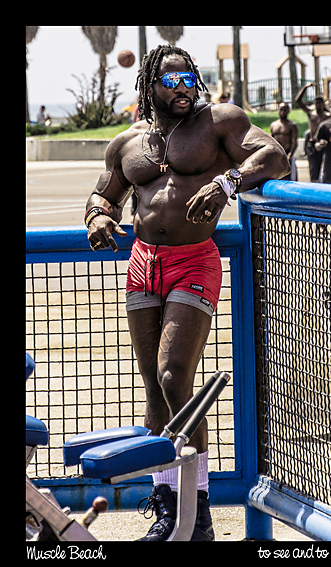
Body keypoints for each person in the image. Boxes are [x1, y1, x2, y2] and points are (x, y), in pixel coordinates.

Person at [84, 44, 290, 541]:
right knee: (155, 388)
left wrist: (228, 182)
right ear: (150, 86)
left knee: (176, 375)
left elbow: (276, 155)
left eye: (188, 81)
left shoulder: (219, 121)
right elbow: (103, 193)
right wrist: (98, 216)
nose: (183, 90)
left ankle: (196, 510)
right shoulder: (127, 142)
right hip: (143, 264)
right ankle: (168, 503)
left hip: (193, 260)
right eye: (171, 83)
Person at [295, 82, 330, 182]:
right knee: (313, 170)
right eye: (316, 103)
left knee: (325, 170)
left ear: (323, 104)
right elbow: (298, 101)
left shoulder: (327, 116)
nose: (318, 105)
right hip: (312, 144)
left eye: (320, 103)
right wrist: (305, 87)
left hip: (324, 144)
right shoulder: (311, 113)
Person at [270, 102, 298, 180]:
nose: (282, 112)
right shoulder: (273, 125)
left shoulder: (292, 125)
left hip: (287, 154)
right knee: (276, 176)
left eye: (285, 110)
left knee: (290, 178)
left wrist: (290, 154)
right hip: (277, 154)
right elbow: (270, 140)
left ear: (288, 111)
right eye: (281, 110)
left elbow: (294, 142)